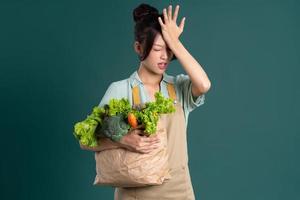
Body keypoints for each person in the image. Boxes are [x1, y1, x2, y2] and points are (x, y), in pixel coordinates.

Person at [80, 3, 211, 200]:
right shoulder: (120, 89)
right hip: (135, 194)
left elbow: (204, 84)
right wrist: (124, 140)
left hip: (180, 191)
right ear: (139, 47)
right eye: (158, 48)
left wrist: (175, 42)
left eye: (169, 50)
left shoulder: (179, 87)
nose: (165, 56)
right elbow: (85, 141)